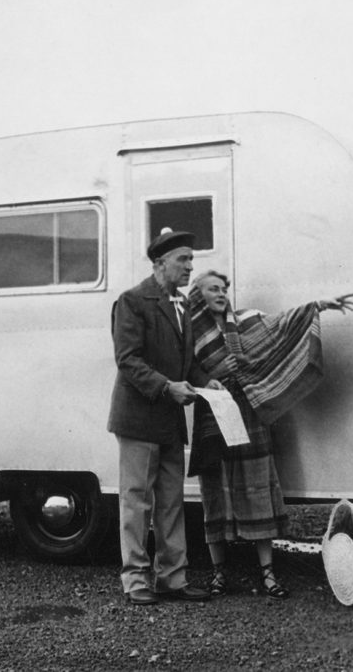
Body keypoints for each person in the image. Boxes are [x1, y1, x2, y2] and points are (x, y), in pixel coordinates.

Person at [187, 269, 353, 599]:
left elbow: (282, 323)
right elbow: (185, 368)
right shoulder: (190, 332)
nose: (221, 294)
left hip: (250, 413)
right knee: (216, 493)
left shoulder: (246, 321)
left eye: (223, 289)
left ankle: (268, 573)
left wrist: (320, 305)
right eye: (213, 289)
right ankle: (219, 574)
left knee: (258, 488)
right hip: (213, 415)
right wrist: (210, 377)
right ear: (198, 295)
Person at [107, 229, 225, 606]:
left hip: (169, 422)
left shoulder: (182, 305)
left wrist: (206, 382)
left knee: (172, 502)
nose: (190, 267)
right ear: (160, 264)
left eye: (191, 259)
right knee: (137, 502)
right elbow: (128, 360)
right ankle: (135, 579)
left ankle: (173, 578)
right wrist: (166, 388)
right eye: (183, 259)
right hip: (139, 419)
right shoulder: (132, 301)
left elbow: (185, 363)